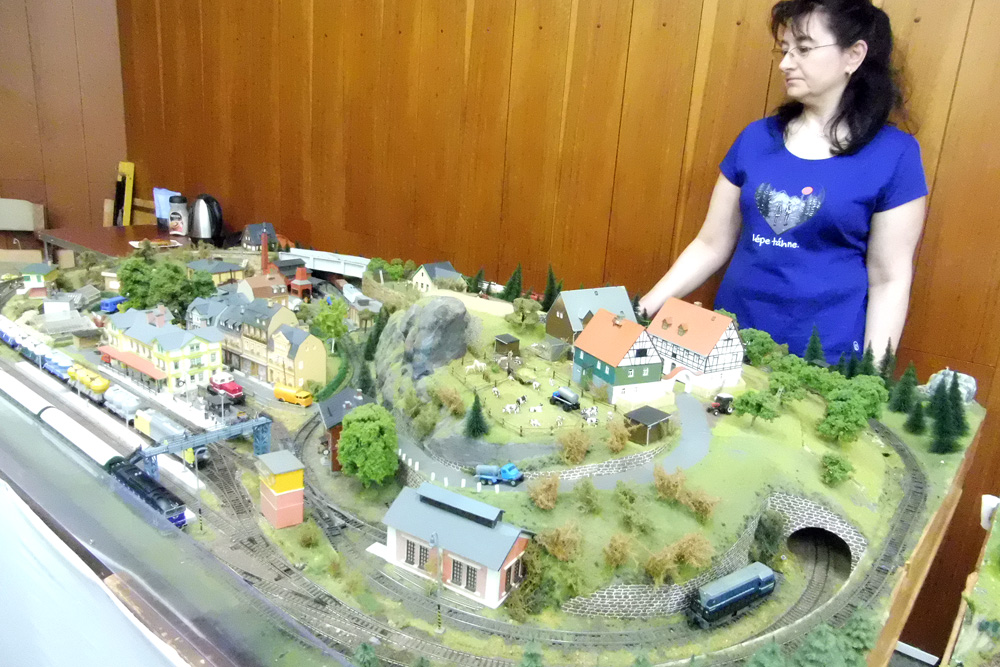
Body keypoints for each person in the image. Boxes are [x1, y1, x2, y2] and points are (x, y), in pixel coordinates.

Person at [639, 0, 927, 364]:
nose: (785, 63)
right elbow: (710, 244)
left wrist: (873, 373)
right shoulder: (756, 139)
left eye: (803, 49)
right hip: (731, 341)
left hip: (824, 358)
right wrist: (642, 309)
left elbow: (889, 280)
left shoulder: (895, 154)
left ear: (854, 55)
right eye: (786, 50)